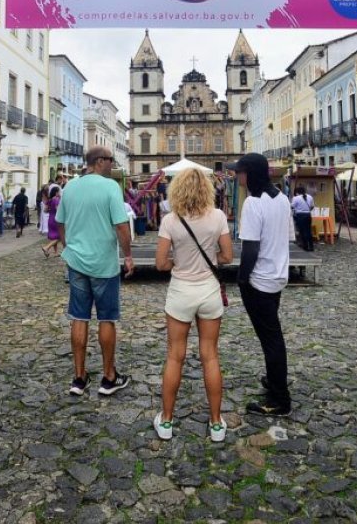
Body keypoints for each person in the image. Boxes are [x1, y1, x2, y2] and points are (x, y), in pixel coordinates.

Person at [153, 169, 234, 442]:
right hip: (209, 291)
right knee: (210, 355)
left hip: (180, 293)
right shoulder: (218, 217)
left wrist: (180, 262)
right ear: (207, 190)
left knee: (175, 355)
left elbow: (161, 263)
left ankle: (166, 421)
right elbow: (227, 256)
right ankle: (215, 423)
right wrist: (210, 257)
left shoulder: (170, 220)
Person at [56, 146, 134, 397]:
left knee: (79, 317)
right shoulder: (110, 187)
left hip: (77, 263)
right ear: (99, 162)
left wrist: (71, 248)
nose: (113, 165)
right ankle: (109, 377)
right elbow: (122, 227)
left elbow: (61, 224)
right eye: (111, 160)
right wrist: (128, 255)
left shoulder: (70, 188)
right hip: (103, 264)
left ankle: (79, 378)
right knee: (106, 318)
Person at [227, 152, 293, 416]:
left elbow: (250, 249)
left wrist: (241, 280)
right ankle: (274, 379)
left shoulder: (253, 203)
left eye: (239, 172)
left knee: (271, 340)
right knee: (272, 336)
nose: (236, 176)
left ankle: (280, 399)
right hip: (277, 276)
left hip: (259, 280)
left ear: (249, 174)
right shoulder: (282, 199)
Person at [290, 186, 314, 252]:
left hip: (300, 216)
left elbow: (292, 206)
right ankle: (311, 246)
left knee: (302, 231)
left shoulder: (296, 198)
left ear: (297, 192)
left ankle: (305, 246)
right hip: (308, 215)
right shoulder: (310, 197)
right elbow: (312, 207)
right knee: (308, 231)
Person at [42, 185, 63, 257]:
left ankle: (56, 252)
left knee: (54, 236)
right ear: (56, 192)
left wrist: (51, 210)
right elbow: (58, 210)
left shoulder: (50, 200)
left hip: (50, 218)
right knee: (60, 236)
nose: (60, 193)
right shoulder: (56, 200)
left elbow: (45, 210)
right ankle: (46, 247)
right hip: (56, 219)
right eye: (59, 192)